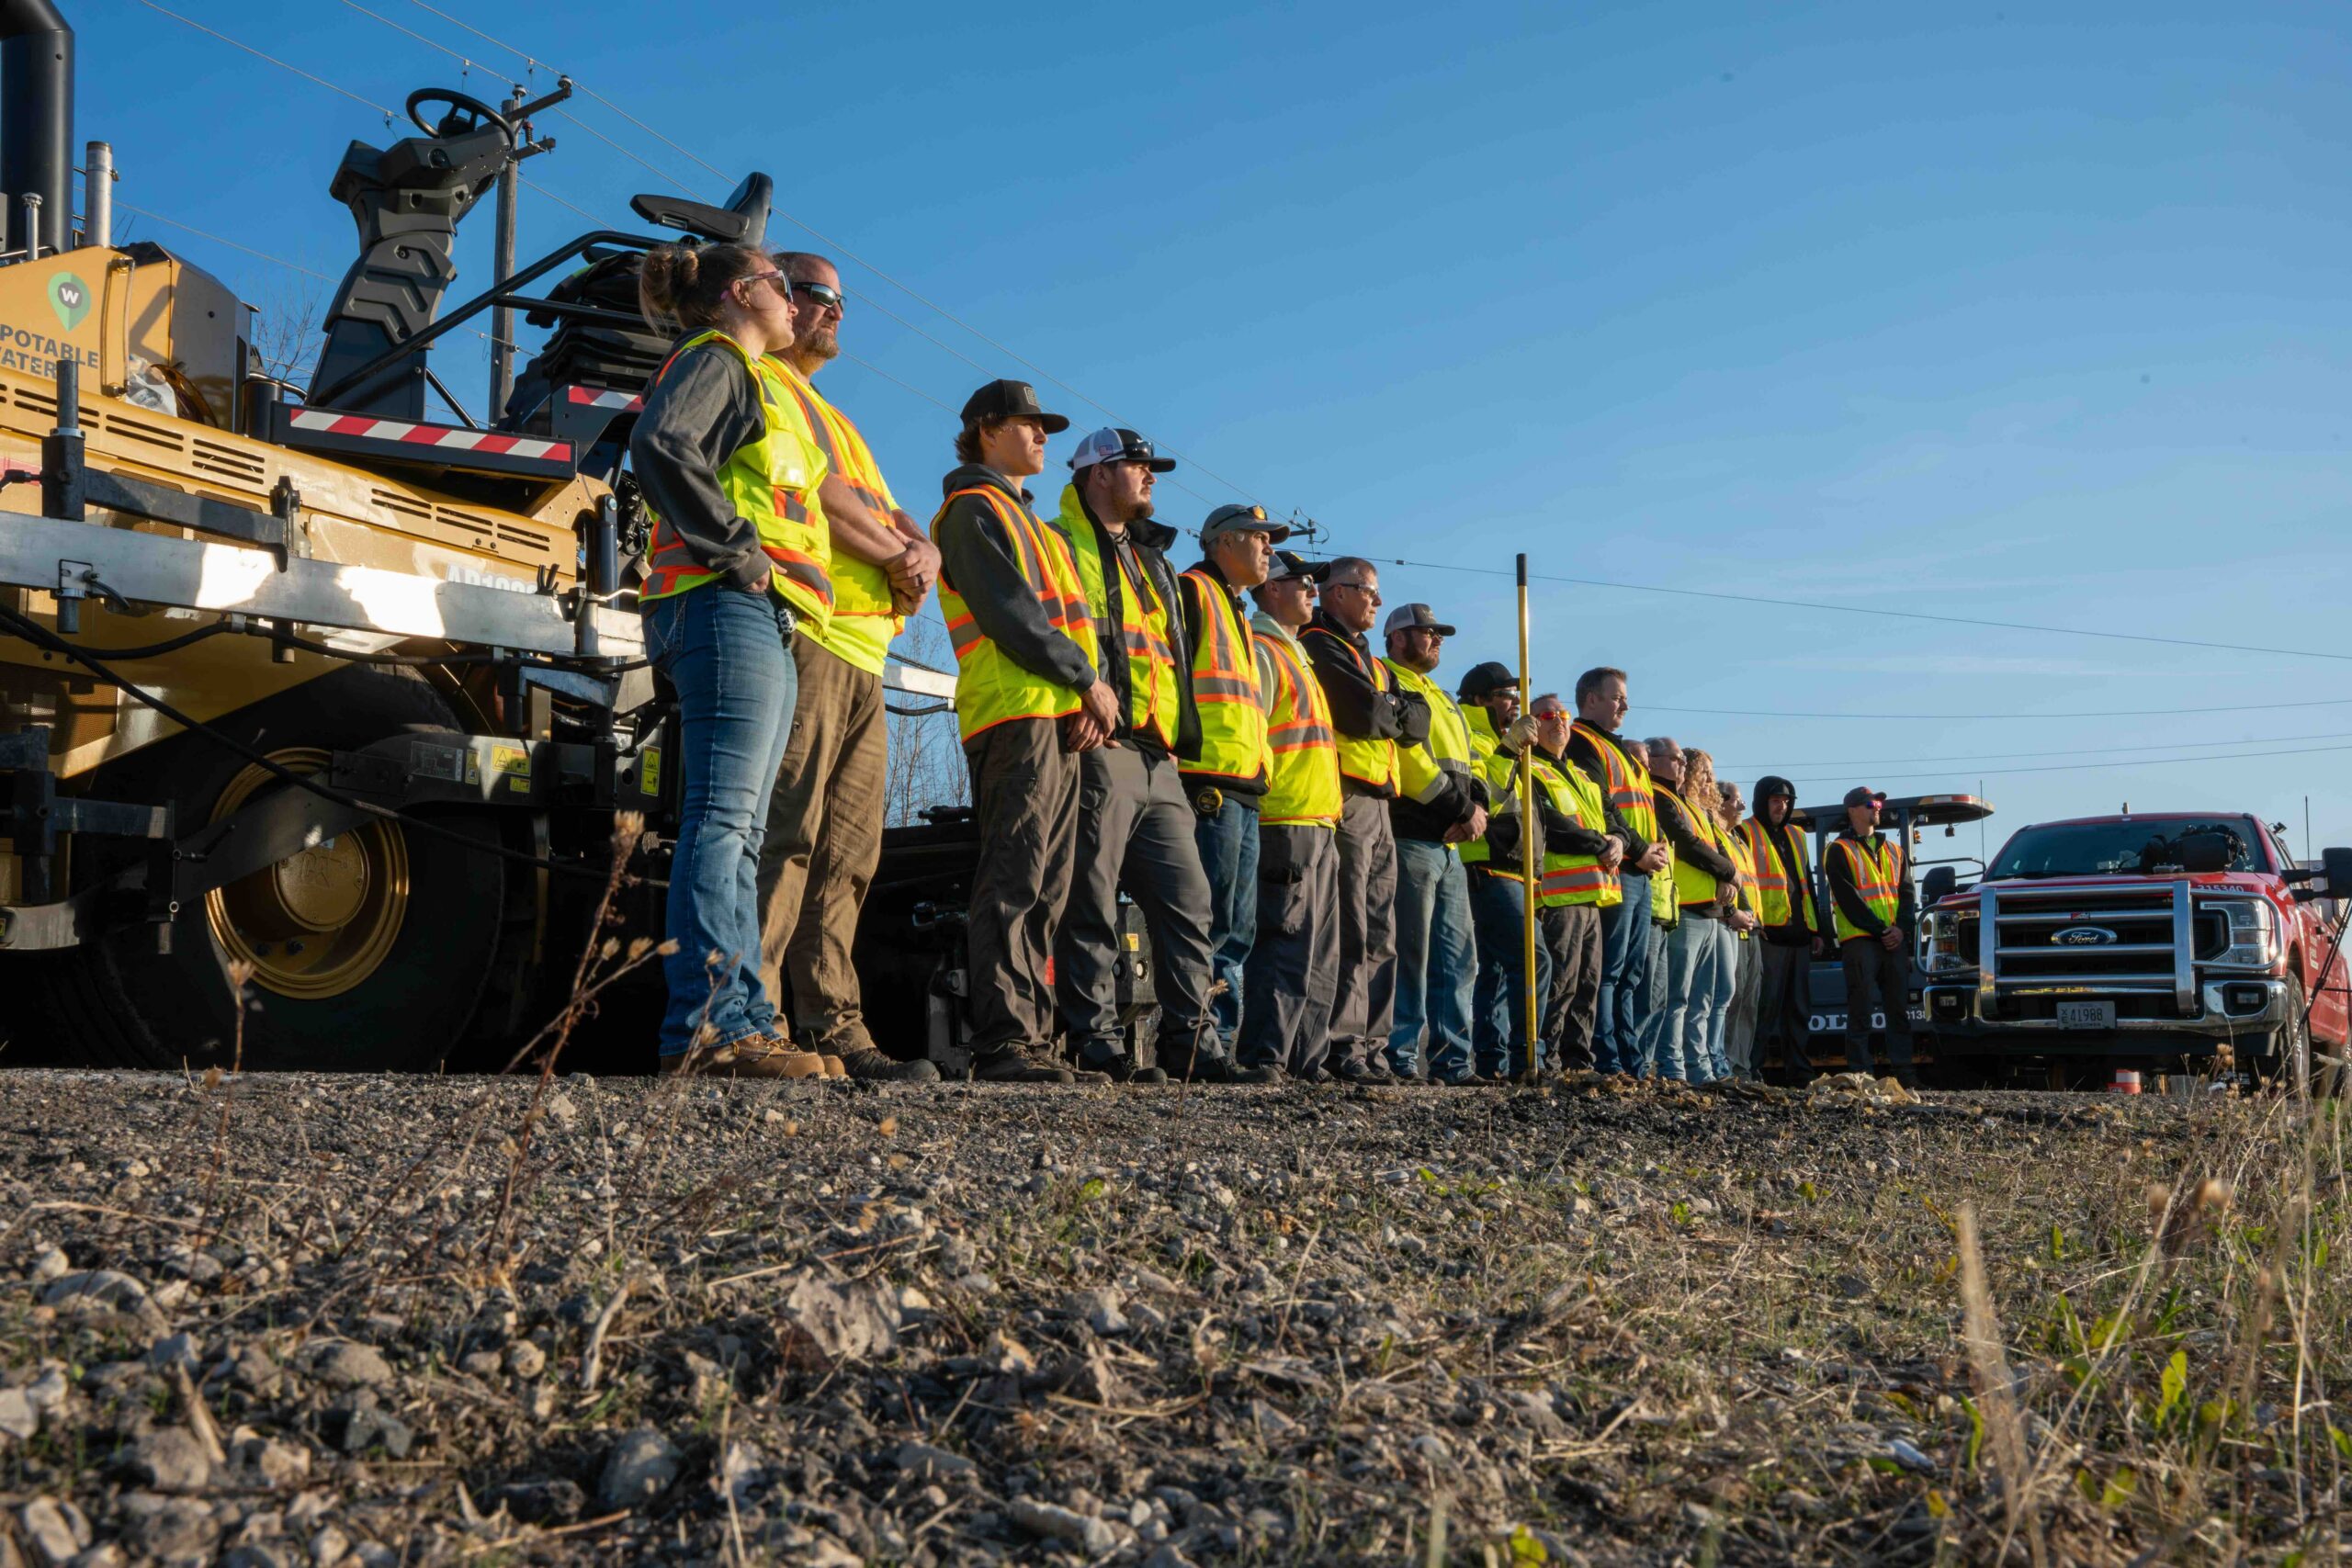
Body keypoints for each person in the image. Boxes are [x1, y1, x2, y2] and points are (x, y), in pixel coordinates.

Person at [631, 242, 832, 1078]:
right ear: (742, 292)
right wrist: (740, 554)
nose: (796, 302)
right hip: (725, 606)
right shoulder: (714, 358)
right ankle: (709, 1027)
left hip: (752, 616)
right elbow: (663, 444)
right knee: (724, 823)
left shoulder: (745, 374)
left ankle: (744, 1021)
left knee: (740, 829)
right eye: (784, 288)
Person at [752, 252, 943, 1083]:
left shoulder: (841, 417)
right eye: (817, 295)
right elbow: (824, 497)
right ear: (780, 299)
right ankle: (755, 1019)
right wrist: (901, 555)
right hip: (813, 634)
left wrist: (921, 548)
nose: (834, 311)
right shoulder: (766, 383)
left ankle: (836, 1027)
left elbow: (891, 508)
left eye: (840, 300)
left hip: (868, 655)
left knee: (849, 855)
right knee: (787, 836)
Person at [930, 379, 1117, 1085]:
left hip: (1054, 717)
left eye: (1045, 427)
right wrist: (1085, 683)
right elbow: (1013, 617)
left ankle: (1032, 1038)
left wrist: (1083, 698)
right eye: (1027, 424)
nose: (1042, 436)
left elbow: (1061, 621)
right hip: (1013, 714)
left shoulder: (1030, 522)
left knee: (1048, 885)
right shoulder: (972, 509)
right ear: (984, 428)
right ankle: (1004, 1040)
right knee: (1014, 876)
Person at [1046, 428, 1218, 1084]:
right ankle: (1095, 1039)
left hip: (1159, 755)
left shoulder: (1153, 560)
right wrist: (1076, 701)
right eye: (1137, 466)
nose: (1150, 477)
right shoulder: (1059, 540)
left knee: (1188, 902)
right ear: (1097, 474)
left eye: (1151, 468)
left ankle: (1193, 1043)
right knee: (1089, 897)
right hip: (1103, 746)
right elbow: (1051, 627)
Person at [1302, 559, 1426, 1080]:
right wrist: (1392, 709)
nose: (1376, 600)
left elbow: (1413, 720)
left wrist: (1391, 705)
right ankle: (1344, 1045)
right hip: (1349, 796)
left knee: (1382, 933)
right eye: (1367, 591)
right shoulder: (1320, 642)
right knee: (1351, 927)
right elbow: (1364, 715)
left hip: (1380, 802)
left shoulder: (1368, 659)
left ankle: (1373, 1046)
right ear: (1335, 594)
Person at [1176, 505, 1287, 1075]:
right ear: (1224, 542)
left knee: (1236, 928)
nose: (1270, 549)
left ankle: (1219, 1043)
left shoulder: (1236, 611)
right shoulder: (1192, 591)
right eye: (1261, 539)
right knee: (1212, 919)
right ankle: (1204, 1045)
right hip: (1206, 782)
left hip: (1242, 786)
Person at [1237, 549, 1343, 1078]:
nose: (1312, 591)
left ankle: (1305, 1058)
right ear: (1271, 589)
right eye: (1301, 582)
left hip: (1318, 820)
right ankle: (1267, 1055)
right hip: (1284, 819)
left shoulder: (1296, 654)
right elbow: (1253, 731)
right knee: (1283, 944)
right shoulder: (1262, 649)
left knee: (1318, 955)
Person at [1382, 604, 1487, 1084]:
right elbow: (1408, 760)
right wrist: (1462, 812)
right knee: (1411, 953)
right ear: (1397, 638)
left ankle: (1453, 1061)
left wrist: (1474, 812)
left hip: (1450, 847)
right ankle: (1400, 1057)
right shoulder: (1389, 680)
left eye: (1439, 633)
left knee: (1458, 960)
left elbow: (1470, 767)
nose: (1436, 640)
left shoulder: (1444, 699)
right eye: (1427, 633)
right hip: (1412, 835)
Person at [1566, 670, 1670, 1077]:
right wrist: (1642, 851)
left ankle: (1629, 1058)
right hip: (1619, 869)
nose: (1625, 705)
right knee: (1608, 971)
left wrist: (1652, 849)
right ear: (1591, 699)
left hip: (1640, 872)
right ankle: (1606, 1058)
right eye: (1616, 698)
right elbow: (1604, 808)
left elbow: (1641, 810)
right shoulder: (1582, 741)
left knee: (1630, 972)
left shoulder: (1622, 750)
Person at [1455, 661, 1545, 1078]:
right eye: (1507, 695)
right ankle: (1527, 1055)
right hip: (1487, 862)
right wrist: (1508, 749)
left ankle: (1492, 1061)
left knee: (1493, 968)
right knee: (1533, 958)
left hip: (1515, 868)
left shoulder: (1503, 738)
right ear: (1480, 700)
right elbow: (1483, 796)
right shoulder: (1472, 733)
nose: (1516, 704)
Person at [1528, 694, 1620, 1072]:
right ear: (1532, 725)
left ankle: (1578, 1061)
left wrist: (1618, 840)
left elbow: (1612, 818)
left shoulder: (1581, 775)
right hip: (1559, 895)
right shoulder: (1530, 768)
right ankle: (1546, 1057)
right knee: (1560, 983)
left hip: (1593, 895)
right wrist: (1602, 844)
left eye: (1563, 715)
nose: (1559, 722)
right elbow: (1552, 824)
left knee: (1587, 985)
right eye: (1548, 716)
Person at [1651, 740, 1741, 1082]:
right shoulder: (1664, 799)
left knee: (1703, 999)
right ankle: (1674, 1068)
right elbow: (1688, 846)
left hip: (1709, 910)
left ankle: (1700, 1067)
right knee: (1678, 997)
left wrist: (1727, 876)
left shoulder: (1696, 810)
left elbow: (1716, 849)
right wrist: (1727, 872)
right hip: (1685, 908)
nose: (1686, 770)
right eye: (1678, 761)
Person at [1826, 786, 1918, 1084]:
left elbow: (1907, 894)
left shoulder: (1894, 850)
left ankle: (1905, 1074)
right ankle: (1861, 1076)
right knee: (1860, 1010)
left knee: (1899, 1012)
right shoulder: (1838, 850)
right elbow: (1849, 899)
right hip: (1861, 941)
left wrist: (1901, 929)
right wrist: (1883, 931)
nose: (1877, 807)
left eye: (1878, 803)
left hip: (1893, 940)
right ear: (1852, 810)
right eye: (1870, 803)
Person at [1741, 775, 1823, 1081]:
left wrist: (1817, 931)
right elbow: (1744, 883)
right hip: (1768, 935)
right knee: (1764, 1009)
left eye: (1787, 801)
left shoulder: (1798, 835)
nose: (1782, 806)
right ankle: (1752, 1069)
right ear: (1762, 801)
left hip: (1799, 937)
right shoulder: (1745, 831)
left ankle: (1800, 1074)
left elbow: (1807, 884)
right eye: (1776, 801)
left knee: (1799, 1010)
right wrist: (1754, 921)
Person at [1720, 780, 1765, 1080]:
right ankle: (1726, 1065)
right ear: (1721, 801)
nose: (1742, 806)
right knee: (1732, 1000)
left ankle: (1742, 1067)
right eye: (1736, 800)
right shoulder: (1718, 837)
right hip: (1732, 926)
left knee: (1749, 1003)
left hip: (1752, 928)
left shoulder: (1738, 840)